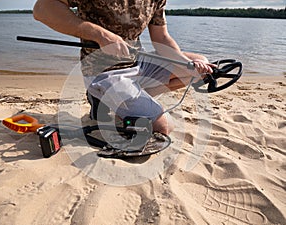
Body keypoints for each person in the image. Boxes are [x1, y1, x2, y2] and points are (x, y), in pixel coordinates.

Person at [33, 0, 215, 135]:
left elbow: (162, 39)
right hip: (104, 72)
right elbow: (41, 9)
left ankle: (130, 101)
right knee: (163, 128)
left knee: (197, 66)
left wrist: (188, 63)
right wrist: (101, 35)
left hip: (139, 64)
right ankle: (103, 97)